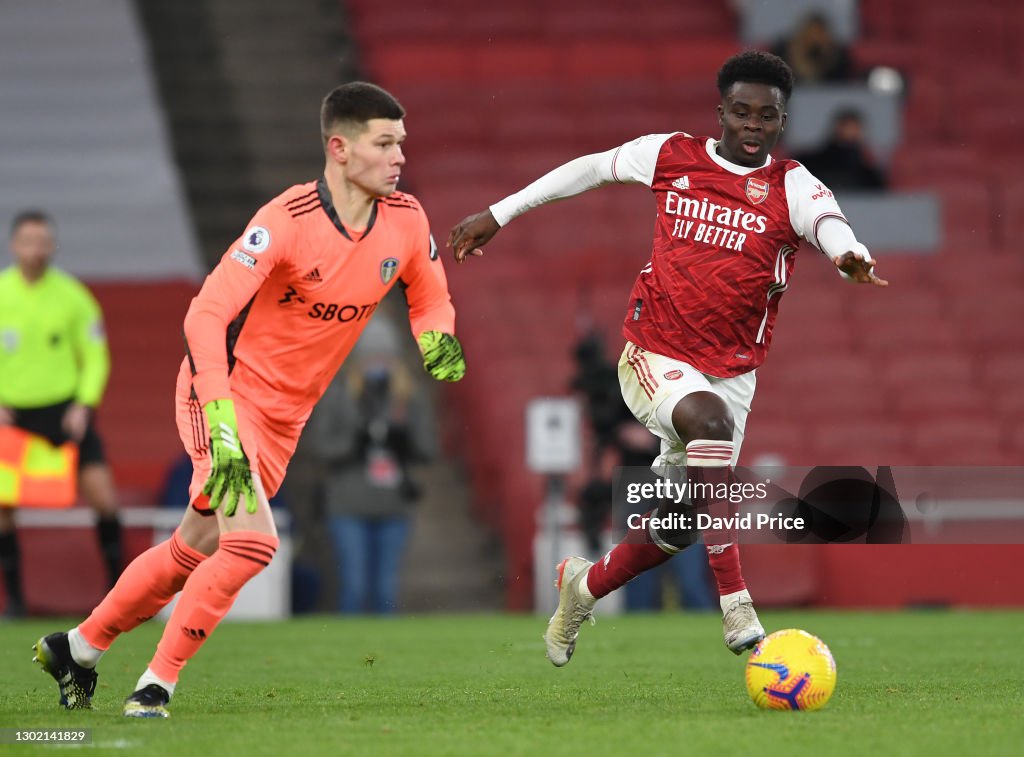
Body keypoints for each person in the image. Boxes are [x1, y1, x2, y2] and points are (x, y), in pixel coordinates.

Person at [32, 82, 465, 717]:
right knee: (255, 543)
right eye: (385, 142)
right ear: (340, 149)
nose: (400, 155)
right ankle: (155, 686)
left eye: (402, 141)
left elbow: (429, 295)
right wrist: (222, 422)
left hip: (288, 415)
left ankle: (78, 647)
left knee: (191, 551)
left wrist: (439, 339)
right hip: (225, 396)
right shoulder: (286, 221)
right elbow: (205, 317)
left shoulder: (406, 219)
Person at [449, 51, 886, 667]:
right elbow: (589, 169)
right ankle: (736, 601)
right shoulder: (672, 155)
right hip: (654, 351)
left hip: (733, 370)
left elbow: (829, 223)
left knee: (679, 524)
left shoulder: (792, 185)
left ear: (782, 121)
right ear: (721, 113)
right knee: (709, 423)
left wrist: (850, 256)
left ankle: (583, 587)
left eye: (766, 115)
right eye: (741, 112)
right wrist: (500, 212)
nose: (752, 124)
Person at [0, 211, 123, 617]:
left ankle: (119, 598)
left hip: (65, 412)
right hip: (12, 415)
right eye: (27, 241)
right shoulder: (2, 293)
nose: (35, 249)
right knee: (2, 507)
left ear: (52, 247)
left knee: (103, 497)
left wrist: (84, 404)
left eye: (42, 242)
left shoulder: (73, 296)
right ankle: (15, 601)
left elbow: (95, 356)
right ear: (14, 246)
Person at [309, 315, 437, 614]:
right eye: (370, 358)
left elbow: (428, 448)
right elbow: (320, 445)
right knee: (355, 585)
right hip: (347, 504)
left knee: (385, 588)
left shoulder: (407, 397)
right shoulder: (338, 393)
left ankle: (385, 656)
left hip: (393, 504)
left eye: (384, 358)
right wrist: (354, 443)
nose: (377, 364)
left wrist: (403, 442)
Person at [794, 108, 887, 191]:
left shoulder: (869, 175)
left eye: (855, 129)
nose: (851, 133)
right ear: (837, 128)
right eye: (848, 127)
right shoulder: (807, 163)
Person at [771, 12, 853, 84]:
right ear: (802, 35)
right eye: (811, 35)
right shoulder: (781, 54)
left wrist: (828, 60)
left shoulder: (840, 59)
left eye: (820, 35)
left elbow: (841, 84)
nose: (815, 39)